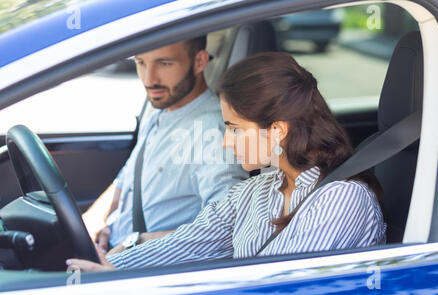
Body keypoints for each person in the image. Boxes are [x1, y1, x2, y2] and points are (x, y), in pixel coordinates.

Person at [69, 52, 386, 271]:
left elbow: (273, 292)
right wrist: (110, 271)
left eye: (235, 129)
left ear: (276, 131)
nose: (225, 141)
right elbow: (190, 244)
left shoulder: (341, 199)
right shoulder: (257, 191)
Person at [82, 36, 248, 253]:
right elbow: (126, 180)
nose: (149, 79)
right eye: (141, 63)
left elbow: (225, 229)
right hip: (112, 246)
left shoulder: (210, 132)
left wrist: (134, 242)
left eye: (165, 63)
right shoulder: (160, 112)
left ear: (199, 62)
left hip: (147, 266)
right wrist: (94, 224)